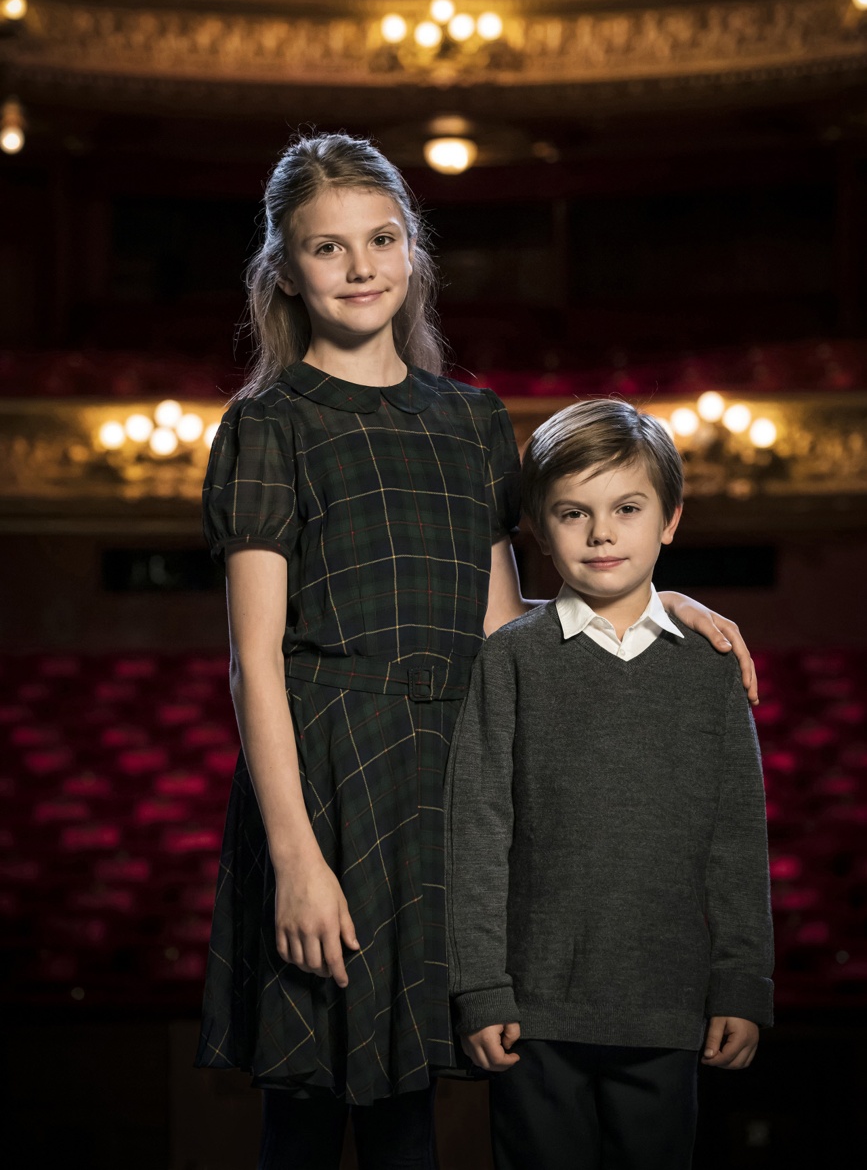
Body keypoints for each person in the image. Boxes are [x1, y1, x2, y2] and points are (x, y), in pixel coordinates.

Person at [195, 132, 759, 1170]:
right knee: (313, 1103)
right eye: (328, 248)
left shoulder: (471, 420)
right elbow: (253, 658)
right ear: (284, 269)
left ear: (414, 251)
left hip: (447, 768)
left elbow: (511, 629)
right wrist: (295, 858)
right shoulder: (269, 424)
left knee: (412, 1108)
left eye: (382, 238)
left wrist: (650, 593)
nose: (360, 267)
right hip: (329, 775)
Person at [446, 398, 774, 1170]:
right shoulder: (511, 657)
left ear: (669, 520)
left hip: (669, 1005)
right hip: (535, 1012)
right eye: (572, 512)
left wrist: (741, 985)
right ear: (536, 526)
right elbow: (478, 830)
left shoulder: (709, 665)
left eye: (626, 508)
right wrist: (481, 990)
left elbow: (735, 837)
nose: (600, 533)